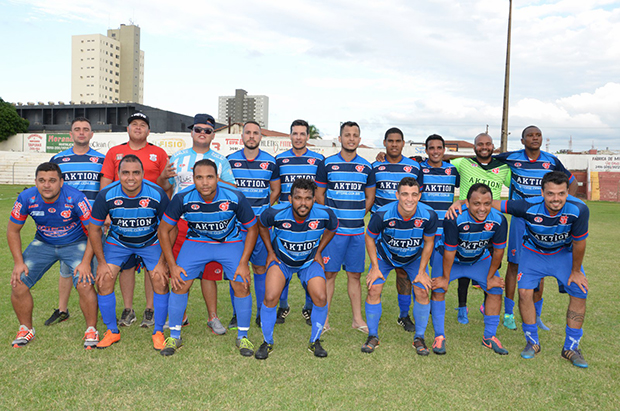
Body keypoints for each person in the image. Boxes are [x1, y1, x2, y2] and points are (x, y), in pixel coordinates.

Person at [158, 159, 258, 357]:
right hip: (197, 242)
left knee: (241, 283)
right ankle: (174, 336)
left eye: (209, 177)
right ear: (193, 179)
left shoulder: (234, 196)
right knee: (179, 283)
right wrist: (172, 265)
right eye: (199, 177)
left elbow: (252, 228)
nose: (205, 182)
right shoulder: (182, 198)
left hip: (229, 243)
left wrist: (244, 263)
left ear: (217, 178)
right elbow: (163, 230)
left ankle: (243, 337)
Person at [496, 171, 589, 368]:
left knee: (580, 290)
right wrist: (461, 203)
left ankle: (571, 347)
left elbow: (580, 243)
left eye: (561, 194)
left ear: (567, 193)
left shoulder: (579, 209)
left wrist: (576, 270)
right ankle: (532, 342)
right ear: (542, 192)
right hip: (533, 254)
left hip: (563, 254)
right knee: (524, 292)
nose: (556, 199)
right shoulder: (527, 205)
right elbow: (491, 203)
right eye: (551, 194)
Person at [494, 125, 577, 331]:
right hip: (521, 219)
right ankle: (508, 313)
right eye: (530, 135)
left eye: (537, 135)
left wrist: (571, 203)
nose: (534, 138)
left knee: (540, 267)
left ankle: (536, 315)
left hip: (546, 220)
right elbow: (483, 159)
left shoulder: (551, 160)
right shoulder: (513, 157)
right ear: (522, 141)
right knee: (514, 264)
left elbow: (571, 180)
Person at [8, 162, 99, 349]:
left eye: (52, 180)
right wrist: (18, 262)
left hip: (75, 243)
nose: (46, 185)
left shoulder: (76, 197)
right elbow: (12, 230)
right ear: (35, 182)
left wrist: (85, 262)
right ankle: (26, 329)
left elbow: (94, 231)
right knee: (18, 282)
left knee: (84, 281)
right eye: (41, 180)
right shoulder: (26, 197)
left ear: (61, 182)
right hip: (43, 243)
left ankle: (91, 329)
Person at [165, 113, 237, 335]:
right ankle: (180, 316)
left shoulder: (220, 160)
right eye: (198, 129)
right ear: (191, 132)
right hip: (182, 222)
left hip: (209, 224)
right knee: (177, 272)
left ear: (213, 134)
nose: (202, 134)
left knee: (209, 274)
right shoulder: (177, 157)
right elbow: (165, 185)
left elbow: (233, 189)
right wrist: (162, 177)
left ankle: (212, 317)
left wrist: (211, 177)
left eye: (207, 130)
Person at [89, 155, 170, 350]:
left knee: (160, 279)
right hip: (118, 242)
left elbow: (169, 229)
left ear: (143, 174)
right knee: (104, 279)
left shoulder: (157, 193)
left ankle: (158, 331)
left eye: (136, 172)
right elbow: (94, 229)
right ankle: (112, 331)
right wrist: (100, 262)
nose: (130, 177)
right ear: (118, 174)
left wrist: (163, 261)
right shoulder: (106, 194)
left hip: (150, 242)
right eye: (125, 173)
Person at [100, 112, 170, 328]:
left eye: (142, 125)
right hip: (121, 217)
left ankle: (150, 309)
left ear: (148, 130)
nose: (138, 128)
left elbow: (165, 185)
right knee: (126, 265)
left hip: (150, 219)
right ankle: (128, 309)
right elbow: (106, 181)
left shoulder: (158, 153)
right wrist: (107, 214)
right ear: (128, 129)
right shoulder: (115, 152)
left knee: (153, 268)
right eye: (133, 124)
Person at [255, 178, 337, 359]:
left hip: (308, 262)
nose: (303, 203)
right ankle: (267, 342)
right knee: (270, 297)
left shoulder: (325, 214)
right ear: (290, 198)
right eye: (298, 198)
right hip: (282, 261)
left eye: (308, 198)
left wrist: (319, 250)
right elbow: (261, 225)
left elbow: (332, 228)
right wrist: (270, 251)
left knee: (321, 297)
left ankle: (315, 341)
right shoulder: (275, 213)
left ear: (314, 199)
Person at [431, 184, 509, 356]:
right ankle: (439, 336)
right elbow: (450, 251)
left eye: (487, 204)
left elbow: (498, 251)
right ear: (467, 202)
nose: (482, 209)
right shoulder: (454, 217)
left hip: (478, 259)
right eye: (476, 204)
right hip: (449, 258)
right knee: (439, 288)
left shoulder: (499, 219)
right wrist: (444, 277)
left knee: (495, 289)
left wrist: (490, 277)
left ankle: (489, 337)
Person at [363, 177, 436, 353]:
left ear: (419, 196)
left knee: (422, 290)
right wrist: (374, 267)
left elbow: (429, 242)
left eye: (413, 194)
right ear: (397, 195)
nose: (409, 199)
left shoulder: (429, 215)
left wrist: (422, 271)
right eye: (404, 194)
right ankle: (372, 335)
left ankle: (419, 337)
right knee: (373, 288)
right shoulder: (382, 214)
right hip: (385, 256)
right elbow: (370, 237)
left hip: (414, 258)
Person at [316, 121, 376, 332]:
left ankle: (357, 320)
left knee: (355, 276)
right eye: (347, 135)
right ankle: (324, 320)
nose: (351, 138)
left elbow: (370, 196)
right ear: (339, 138)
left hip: (357, 232)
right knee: (329, 275)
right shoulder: (327, 164)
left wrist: (360, 213)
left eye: (355, 135)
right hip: (333, 234)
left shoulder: (366, 167)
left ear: (359, 139)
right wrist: (329, 218)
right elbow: (319, 194)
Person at [47, 117, 105, 326]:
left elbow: (105, 191)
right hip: (67, 224)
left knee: (98, 270)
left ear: (91, 134)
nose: (81, 132)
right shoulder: (58, 160)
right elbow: (51, 189)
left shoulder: (101, 160)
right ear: (70, 134)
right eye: (77, 129)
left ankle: (102, 311)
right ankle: (62, 309)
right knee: (66, 268)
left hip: (93, 224)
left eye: (86, 129)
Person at [449, 133, 510, 324]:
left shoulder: (503, 167)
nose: (484, 147)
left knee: (492, 267)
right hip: (466, 219)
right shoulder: (464, 163)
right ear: (474, 147)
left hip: (490, 222)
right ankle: (462, 307)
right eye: (480, 144)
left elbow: (517, 182)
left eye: (488, 144)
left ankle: (486, 305)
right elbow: (442, 157)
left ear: (493, 146)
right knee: (464, 264)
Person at [228, 121, 281, 327]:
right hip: (236, 227)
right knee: (236, 270)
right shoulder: (230, 161)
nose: (251, 136)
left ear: (260, 137)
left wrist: (265, 209)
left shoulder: (270, 162)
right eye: (248, 133)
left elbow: (275, 190)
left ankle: (260, 312)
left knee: (260, 269)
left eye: (255, 133)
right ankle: (236, 314)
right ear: (241, 136)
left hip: (260, 227)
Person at [372, 127, 421, 333]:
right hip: (382, 230)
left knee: (403, 273)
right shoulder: (375, 167)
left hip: (407, 228)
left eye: (398, 141)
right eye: (390, 141)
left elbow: (420, 195)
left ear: (403, 143)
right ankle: (374, 315)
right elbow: (370, 194)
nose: (394, 144)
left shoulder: (414, 167)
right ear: (384, 143)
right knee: (376, 276)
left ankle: (403, 315)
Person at [275, 119, 324, 324]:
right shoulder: (279, 160)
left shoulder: (319, 160)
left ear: (307, 137)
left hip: (310, 221)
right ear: (290, 136)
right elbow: (276, 189)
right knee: (283, 262)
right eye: (295, 133)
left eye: (302, 134)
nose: (298, 137)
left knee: (309, 262)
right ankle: (283, 305)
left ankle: (309, 307)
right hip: (286, 221)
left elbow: (321, 192)